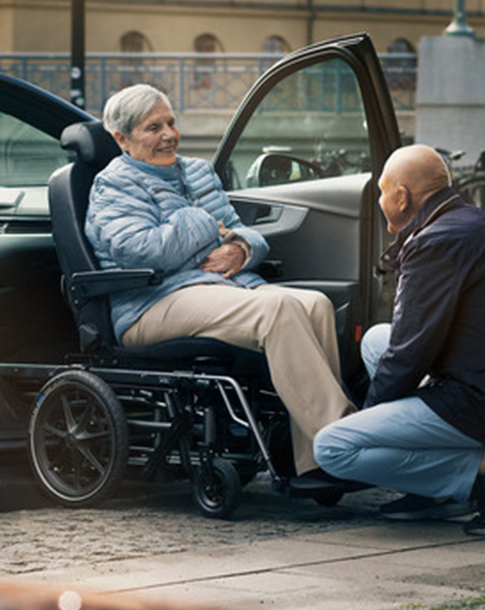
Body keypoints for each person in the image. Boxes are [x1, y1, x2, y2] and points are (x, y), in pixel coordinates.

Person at [85, 83, 357, 483]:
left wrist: (241, 249)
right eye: (153, 127)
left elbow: (240, 232)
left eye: (171, 123)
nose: (168, 135)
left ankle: (313, 458)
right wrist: (199, 225)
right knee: (278, 309)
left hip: (219, 286)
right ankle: (344, 445)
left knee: (315, 303)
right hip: (152, 301)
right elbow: (140, 251)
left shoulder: (196, 172)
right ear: (121, 139)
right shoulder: (114, 184)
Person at [314, 145, 485, 536]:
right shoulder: (464, 221)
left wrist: (368, 421)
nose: (381, 201)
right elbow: (408, 345)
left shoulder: (435, 243)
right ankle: (436, 490)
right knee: (376, 339)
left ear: (402, 196)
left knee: (333, 448)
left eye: (382, 191)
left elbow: (409, 354)